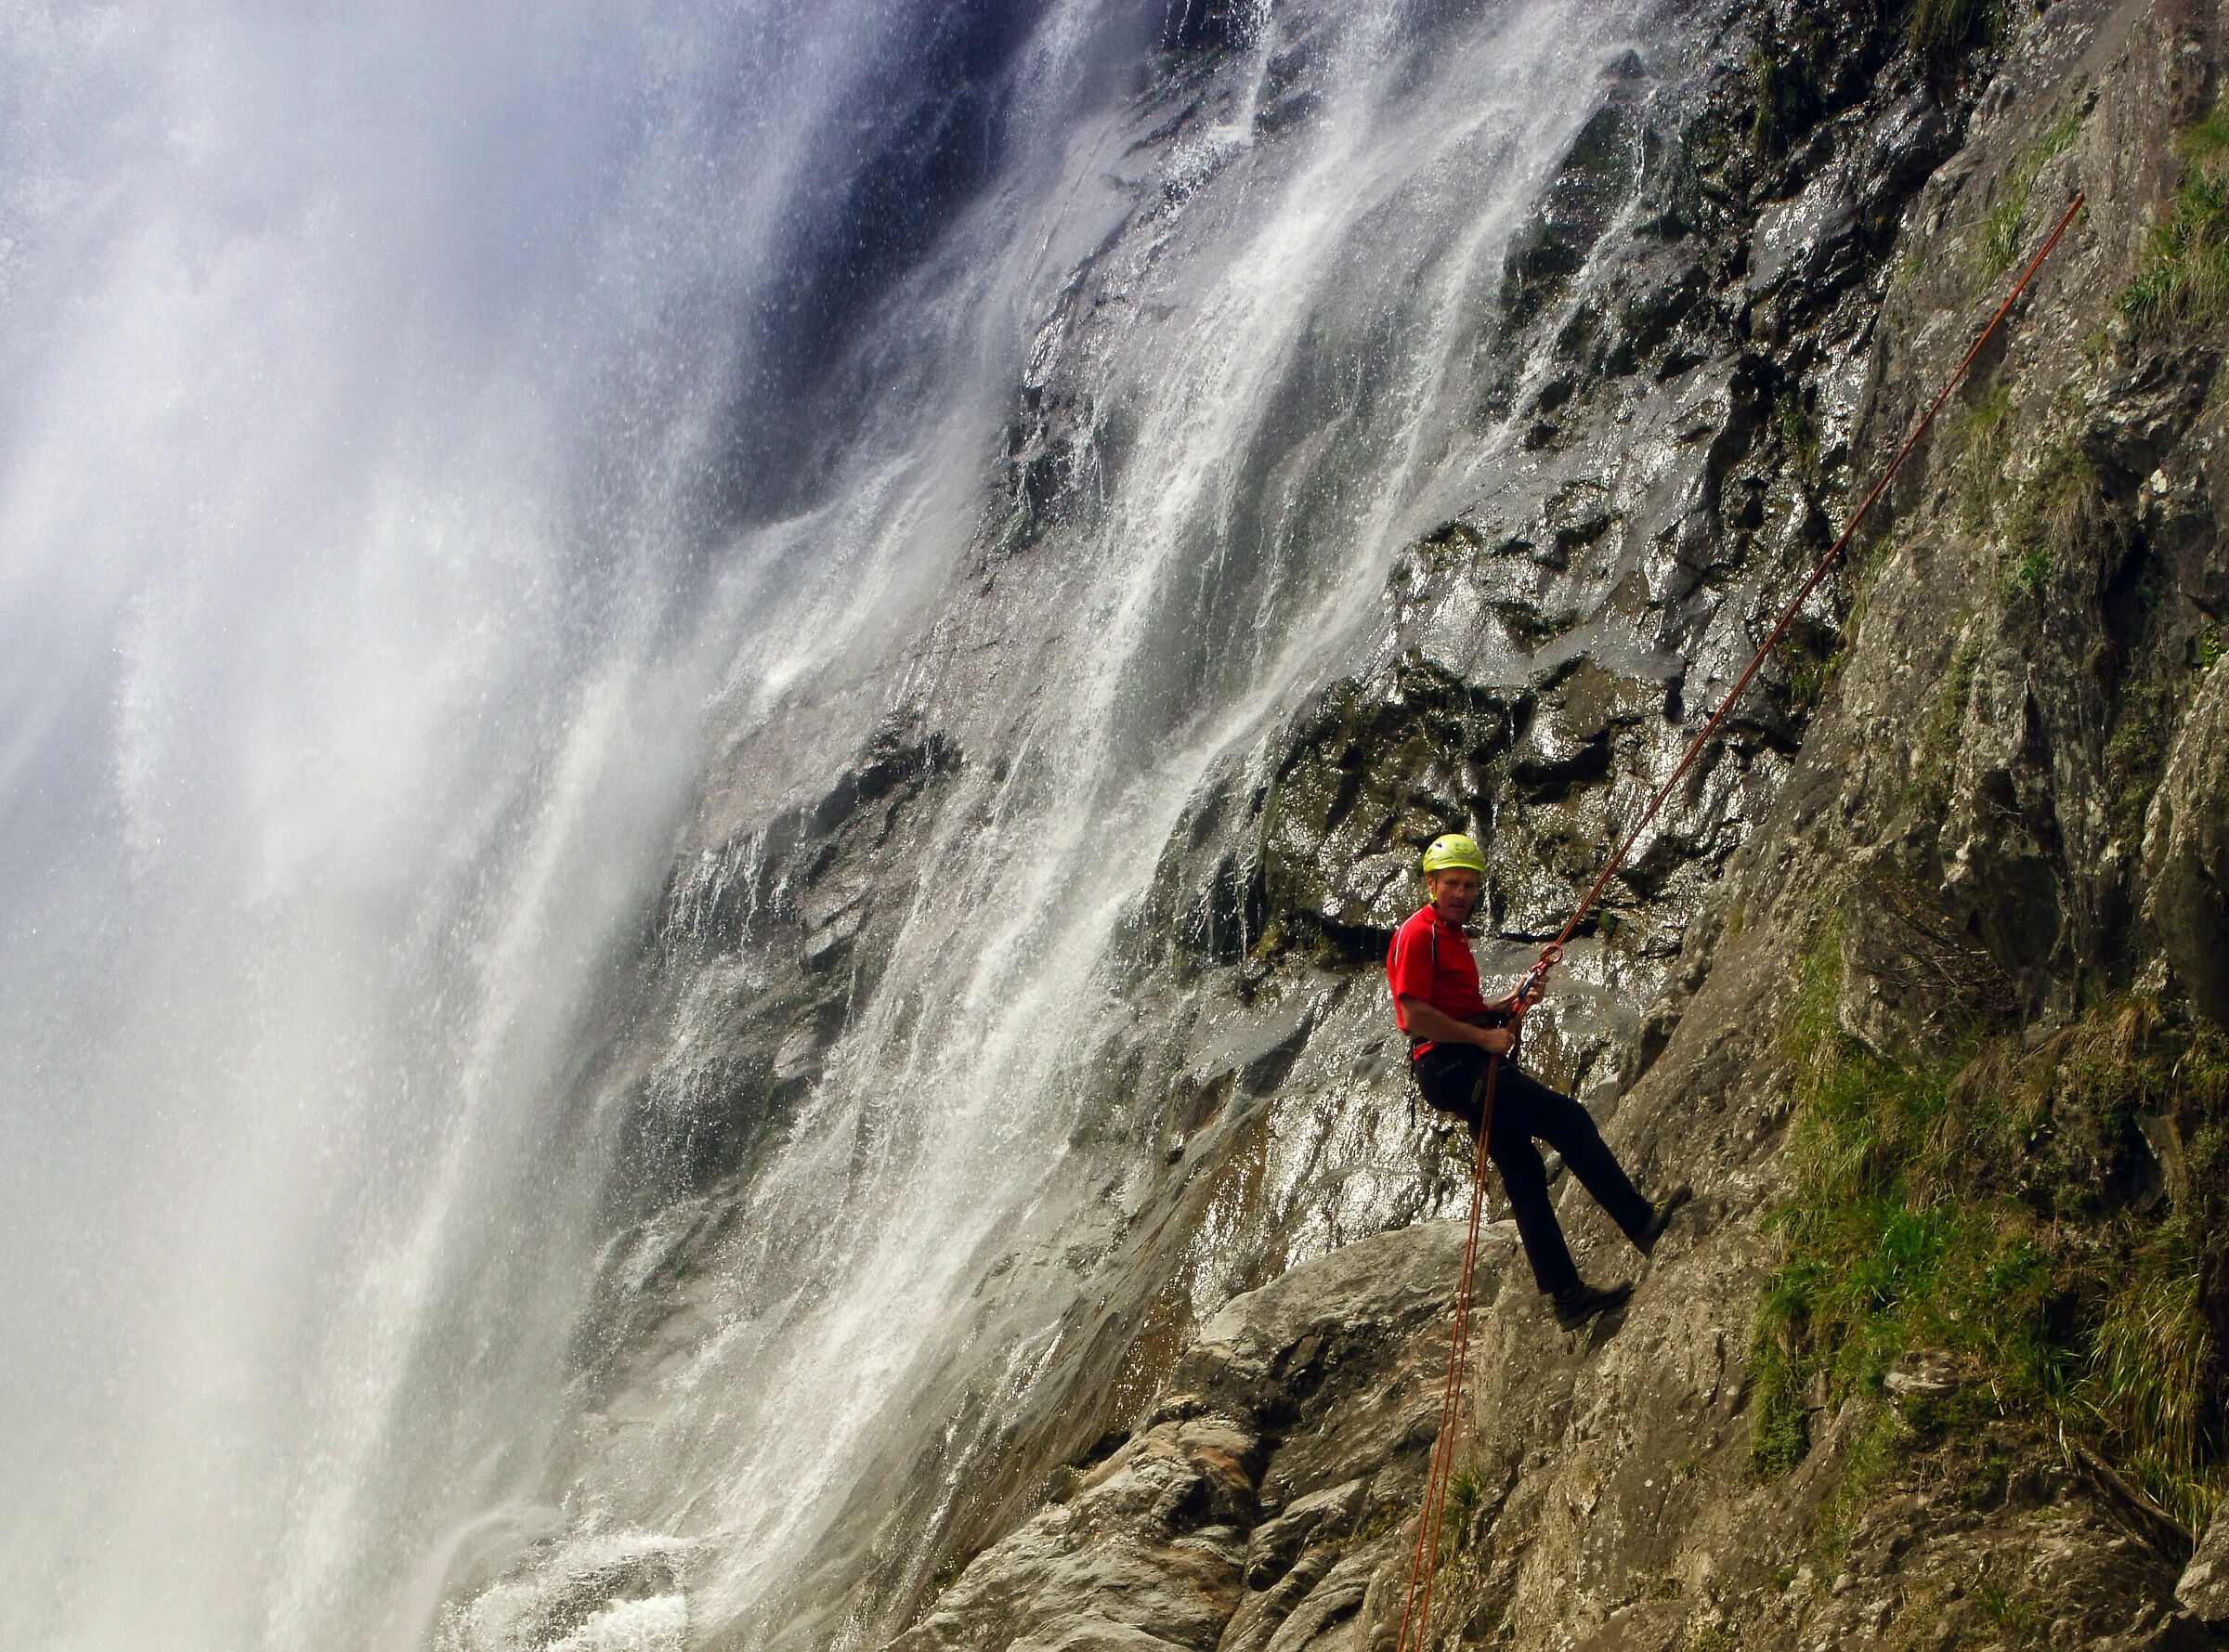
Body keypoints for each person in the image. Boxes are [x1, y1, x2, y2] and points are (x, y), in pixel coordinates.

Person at [1387, 833, 1690, 1331]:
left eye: (1469, 885)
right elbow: (1414, 1013)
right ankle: (1642, 1223)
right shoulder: (1421, 934)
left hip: (1456, 1063)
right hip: (1453, 1065)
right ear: (1431, 884)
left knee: (1524, 1170)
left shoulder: (1449, 934)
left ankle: (1567, 1296)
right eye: (1452, 884)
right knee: (1568, 1121)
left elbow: (1458, 1009)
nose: (1461, 893)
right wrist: (1483, 1041)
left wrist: (1511, 1000)